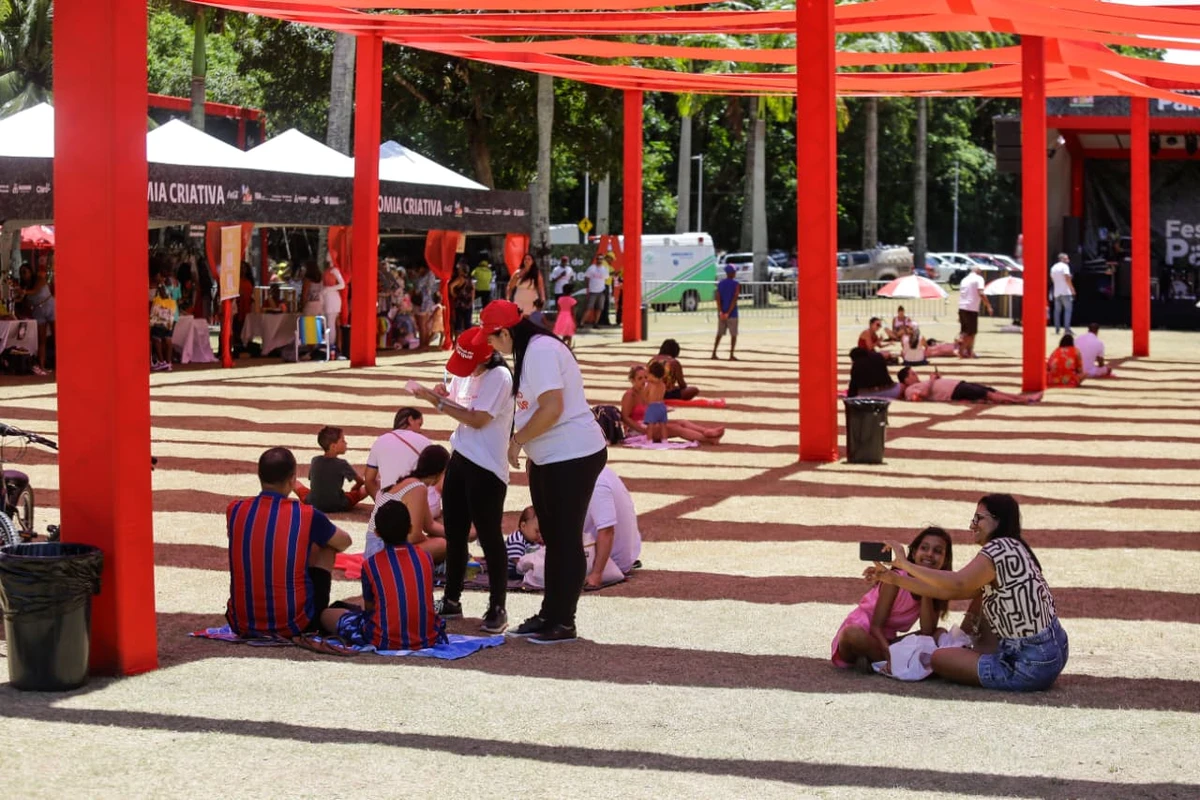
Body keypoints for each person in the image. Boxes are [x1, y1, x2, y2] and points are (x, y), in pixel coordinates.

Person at [481, 299, 608, 644]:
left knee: (565, 540)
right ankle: (551, 613)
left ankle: (563, 620)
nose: (491, 346)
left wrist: (517, 441)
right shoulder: (531, 351)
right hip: (553, 457)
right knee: (556, 538)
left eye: (492, 339)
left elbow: (553, 407)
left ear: (505, 332)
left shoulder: (539, 352)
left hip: (571, 455)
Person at [864, 494, 1069, 692]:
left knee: (939, 658)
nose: (972, 525)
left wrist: (904, 564)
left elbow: (958, 583)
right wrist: (895, 579)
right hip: (1053, 651)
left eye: (979, 518)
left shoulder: (999, 548)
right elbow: (948, 591)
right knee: (978, 601)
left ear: (999, 520)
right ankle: (969, 652)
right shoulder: (1015, 547)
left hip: (1029, 664)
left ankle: (966, 655)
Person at [412, 326, 515, 634]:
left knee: (489, 535)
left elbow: (478, 418)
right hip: (459, 456)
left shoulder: (500, 377)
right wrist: (444, 395)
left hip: (487, 466)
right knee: (455, 534)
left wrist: (435, 401)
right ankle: (452, 597)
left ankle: (498, 606)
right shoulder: (465, 372)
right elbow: (460, 406)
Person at [225, 447, 352, 638]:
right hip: (294, 623)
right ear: (292, 479)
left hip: (241, 621)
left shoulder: (235, 510)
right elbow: (343, 542)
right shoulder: (305, 515)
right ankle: (316, 615)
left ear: (259, 476)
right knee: (324, 544)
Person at [319, 500, 447, 651]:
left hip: (383, 639)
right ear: (410, 528)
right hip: (426, 636)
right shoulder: (425, 558)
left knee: (326, 615)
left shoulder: (371, 565)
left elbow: (369, 608)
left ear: (377, 533)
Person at [832, 527, 953, 672]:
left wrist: (925, 586)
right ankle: (888, 662)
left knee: (939, 633)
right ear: (914, 553)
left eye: (937, 551)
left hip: (887, 641)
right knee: (852, 634)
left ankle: (875, 661)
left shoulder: (937, 587)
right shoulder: (896, 579)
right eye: (924, 548)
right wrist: (889, 654)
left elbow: (927, 632)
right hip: (863, 634)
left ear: (945, 560)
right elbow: (876, 626)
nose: (929, 554)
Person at [364, 444, 450, 563]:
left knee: (440, 542)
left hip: (378, 546)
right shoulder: (417, 488)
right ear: (441, 472)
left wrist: (460, 534)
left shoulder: (410, 483)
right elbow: (413, 536)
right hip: (382, 548)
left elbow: (429, 525)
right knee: (442, 545)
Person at [621, 365, 725, 444]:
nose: (644, 381)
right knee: (675, 429)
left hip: (647, 423)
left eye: (645, 377)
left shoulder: (645, 392)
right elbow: (625, 418)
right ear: (632, 380)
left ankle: (707, 431)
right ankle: (708, 439)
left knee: (681, 422)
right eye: (640, 378)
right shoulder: (630, 395)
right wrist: (643, 430)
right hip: (636, 430)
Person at [582, 467, 642, 590]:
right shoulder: (599, 471)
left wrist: (596, 575)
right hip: (619, 557)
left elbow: (607, 531)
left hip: (610, 562)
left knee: (535, 568)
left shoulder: (595, 482)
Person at [363, 407, 433, 499]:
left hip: (389, 505)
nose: (420, 430)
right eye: (419, 424)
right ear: (410, 419)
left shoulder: (379, 441)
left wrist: (380, 502)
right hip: (417, 502)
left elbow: (368, 480)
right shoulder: (425, 442)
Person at [297, 426, 367, 513]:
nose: (346, 443)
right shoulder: (342, 463)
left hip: (313, 502)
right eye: (343, 441)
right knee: (368, 487)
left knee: (296, 483)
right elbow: (361, 482)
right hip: (338, 504)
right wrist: (355, 488)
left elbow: (313, 479)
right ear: (333, 446)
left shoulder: (315, 460)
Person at [899, 366, 1042, 404]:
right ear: (906, 380)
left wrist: (935, 379)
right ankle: (1025, 400)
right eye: (912, 374)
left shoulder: (920, 383)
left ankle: (1023, 398)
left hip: (957, 385)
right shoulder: (910, 390)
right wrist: (931, 380)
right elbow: (920, 396)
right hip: (955, 391)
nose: (916, 375)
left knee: (991, 391)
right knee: (989, 394)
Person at [26, 259, 55, 373]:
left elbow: (35, 290)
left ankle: (61, 363)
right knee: (41, 340)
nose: (24, 275)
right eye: (21, 273)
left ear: (30, 272)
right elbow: (24, 302)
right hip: (38, 310)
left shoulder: (39, 279)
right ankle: (42, 366)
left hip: (50, 306)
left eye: (25, 272)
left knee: (56, 336)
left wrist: (23, 292)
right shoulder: (25, 286)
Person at [957, 265, 992, 358]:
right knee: (971, 332)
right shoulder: (979, 279)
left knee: (965, 331)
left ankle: (969, 352)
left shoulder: (964, 280)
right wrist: (988, 306)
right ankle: (962, 351)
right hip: (971, 308)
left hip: (962, 307)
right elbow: (981, 292)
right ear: (978, 271)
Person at [149, 279, 177, 372]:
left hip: (158, 321)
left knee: (156, 340)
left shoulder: (158, 292)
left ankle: (161, 362)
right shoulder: (172, 286)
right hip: (168, 322)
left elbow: (154, 313)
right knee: (168, 340)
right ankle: (168, 362)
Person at [506, 506, 542, 578]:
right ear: (523, 526)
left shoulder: (531, 539)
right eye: (537, 531)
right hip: (513, 569)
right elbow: (518, 563)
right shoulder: (517, 540)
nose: (539, 535)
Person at [713, 264, 740, 360]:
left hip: (722, 313)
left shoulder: (720, 284)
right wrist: (728, 312)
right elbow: (734, 299)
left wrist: (721, 311)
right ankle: (731, 354)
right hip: (732, 313)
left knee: (719, 334)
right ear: (732, 273)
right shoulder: (736, 284)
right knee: (733, 335)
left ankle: (714, 352)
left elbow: (718, 297)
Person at [322, 260, 346, 357]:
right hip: (327, 297)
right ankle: (327, 344)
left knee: (331, 323)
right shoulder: (327, 270)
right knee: (327, 322)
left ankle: (331, 346)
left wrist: (329, 289)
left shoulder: (335, 270)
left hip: (332, 298)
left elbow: (342, 284)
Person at [1050, 252, 1076, 335]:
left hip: (1057, 292)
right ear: (1061, 259)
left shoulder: (1053, 267)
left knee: (1057, 311)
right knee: (1068, 310)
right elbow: (1067, 278)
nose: (1068, 260)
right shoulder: (1065, 267)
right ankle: (1067, 329)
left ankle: (1057, 328)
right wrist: (1072, 289)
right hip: (1065, 291)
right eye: (1066, 259)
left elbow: (1052, 279)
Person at [581, 255, 610, 330]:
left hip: (601, 291)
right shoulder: (591, 268)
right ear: (596, 259)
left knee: (599, 308)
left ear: (603, 260)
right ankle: (581, 323)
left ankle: (596, 323)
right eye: (598, 259)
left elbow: (606, 278)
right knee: (589, 308)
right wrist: (588, 288)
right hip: (593, 291)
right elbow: (587, 277)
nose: (599, 260)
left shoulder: (604, 269)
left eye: (601, 259)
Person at [449, 260, 475, 339]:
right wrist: (472, 301)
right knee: (467, 322)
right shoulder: (470, 280)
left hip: (460, 303)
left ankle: (456, 341)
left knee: (458, 322)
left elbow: (451, 286)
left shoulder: (460, 279)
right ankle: (469, 339)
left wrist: (454, 294)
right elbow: (473, 291)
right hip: (468, 303)